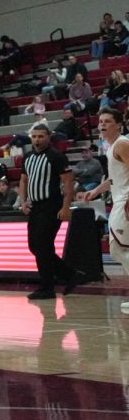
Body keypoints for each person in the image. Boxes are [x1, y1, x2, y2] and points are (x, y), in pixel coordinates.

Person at [18, 122, 79, 299]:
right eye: (34, 136)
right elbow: (23, 180)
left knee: (43, 246)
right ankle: (68, 274)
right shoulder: (28, 156)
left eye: (41, 136)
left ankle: (47, 287)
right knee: (34, 246)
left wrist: (65, 207)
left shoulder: (56, 156)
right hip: (35, 206)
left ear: (48, 137)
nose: (37, 139)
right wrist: (23, 202)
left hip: (52, 205)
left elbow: (68, 182)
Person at [77, 108, 129, 314]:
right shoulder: (112, 146)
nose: (102, 124)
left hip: (124, 200)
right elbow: (114, 178)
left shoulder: (123, 144)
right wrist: (96, 191)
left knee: (118, 249)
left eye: (108, 121)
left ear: (118, 124)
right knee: (121, 248)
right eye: (100, 121)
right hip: (119, 198)